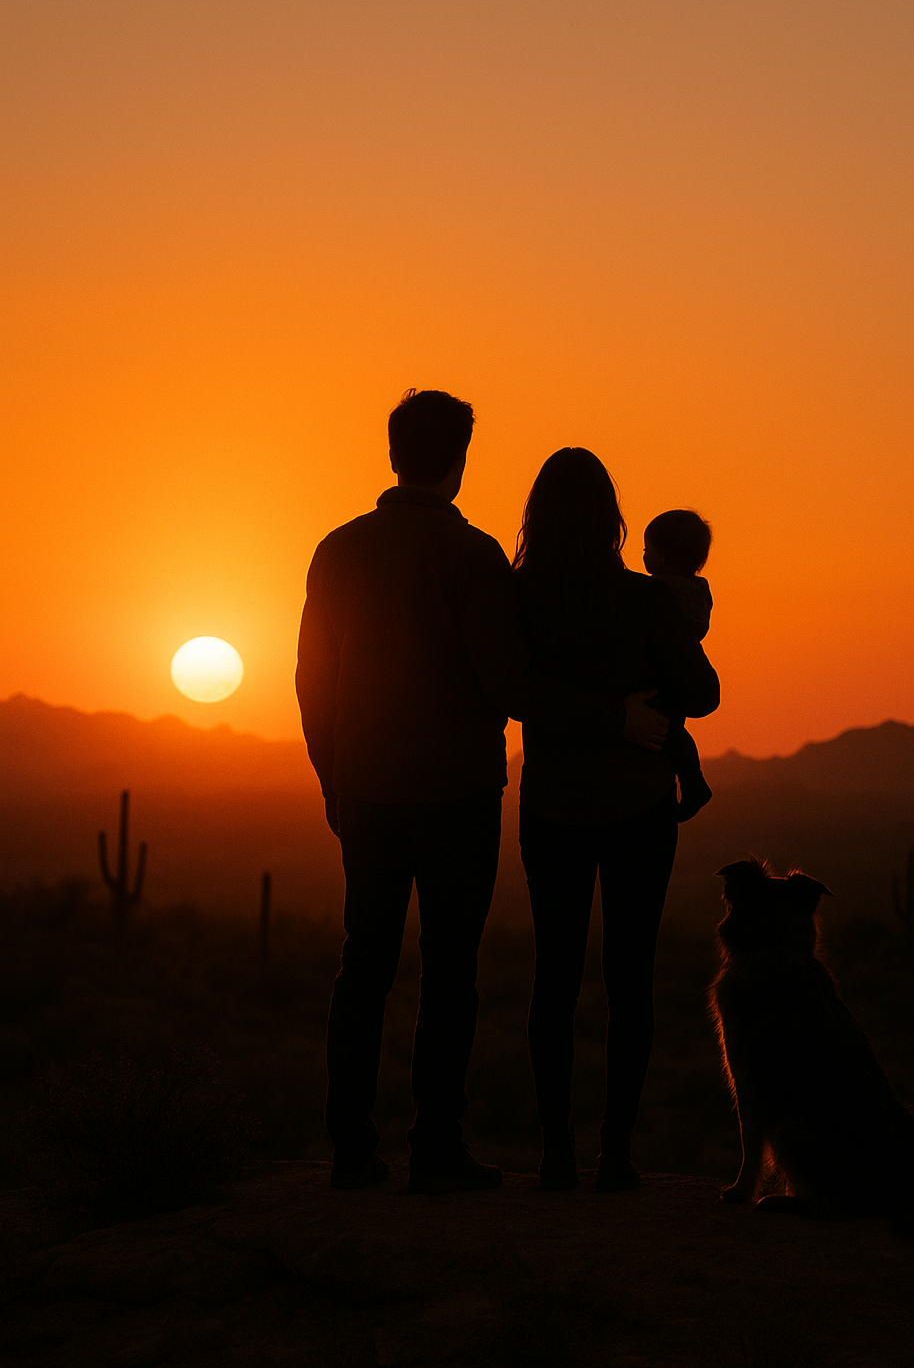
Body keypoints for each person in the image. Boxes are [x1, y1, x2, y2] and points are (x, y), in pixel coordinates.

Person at [295, 391, 667, 1195]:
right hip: (457, 791)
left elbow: (311, 680)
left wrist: (333, 778)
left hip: (364, 787)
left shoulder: (339, 551)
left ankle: (352, 1151)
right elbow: (511, 681)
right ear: (459, 462)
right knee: (448, 969)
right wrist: (615, 716)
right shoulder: (472, 558)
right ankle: (436, 1147)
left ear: (395, 455)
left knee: (364, 964)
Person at [513, 450, 720, 1192]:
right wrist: (633, 706)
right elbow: (702, 695)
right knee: (629, 979)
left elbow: (512, 687)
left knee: (554, 978)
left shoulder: (521, 598)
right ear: (612, 516)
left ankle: (555, 1152)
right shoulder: (645, 600)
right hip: (638, 811)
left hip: (552, 806)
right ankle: (617, 1153)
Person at [642, 509, 715, 821]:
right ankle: (693, 781)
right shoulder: (699, 591)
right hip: (684, 672)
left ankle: (694, 782)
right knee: (676, 730)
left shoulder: (658, 592)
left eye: (646, 550)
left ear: (661, 555)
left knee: (667, 732)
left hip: (664, 675)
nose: (643, 557)